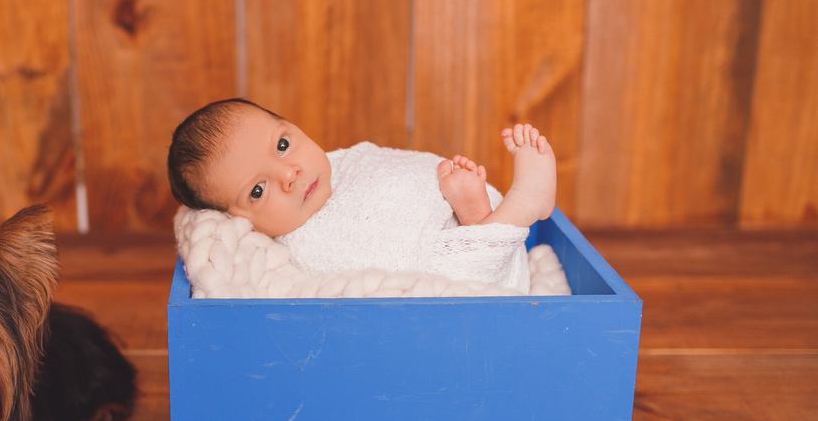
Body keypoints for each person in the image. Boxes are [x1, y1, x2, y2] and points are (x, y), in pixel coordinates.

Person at [167, 99, 557, 292]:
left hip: (470, 238)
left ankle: (476, 220)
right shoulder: (285, 254)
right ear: (238, 221)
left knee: (457, 246)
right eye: (258, 189)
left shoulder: (347, 162)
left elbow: (394, 168)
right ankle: (521, 204)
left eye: (283, 145)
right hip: (474, 298)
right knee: (450, 285)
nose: (289, 175)